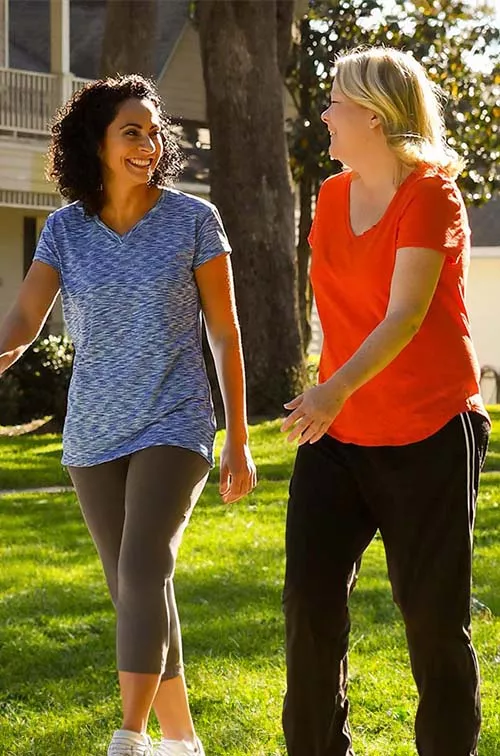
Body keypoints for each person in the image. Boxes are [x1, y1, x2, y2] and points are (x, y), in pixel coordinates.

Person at [0, 75, 256, 756]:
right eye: (131, 131)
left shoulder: (192, 220)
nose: (149, 144)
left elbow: (225, 334)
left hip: (174, 420)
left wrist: (237, 438)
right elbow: (26, 316)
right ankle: (183, 741)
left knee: (143, 569)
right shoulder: (65, 230)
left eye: (153, 131)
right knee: (136, 587)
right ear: (97, 141)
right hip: (92, 428)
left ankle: (129, 738)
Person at [281, 47, 490, 756]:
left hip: (429, 429)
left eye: (335, 102)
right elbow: (340, 306)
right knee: (309, 610)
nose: (325, 114)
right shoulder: (332, 195)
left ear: (371, 115)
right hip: (339, 435)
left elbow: (403, 314)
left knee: (433, 623)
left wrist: (331, 389)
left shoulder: (431, 194)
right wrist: (332, 394)